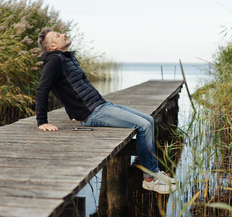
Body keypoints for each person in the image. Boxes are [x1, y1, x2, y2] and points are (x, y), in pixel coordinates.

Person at [35, 28, 176, 194]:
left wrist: (72, 113)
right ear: (52, 46)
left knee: (149, 120)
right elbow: (42, 89)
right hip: (94, 113)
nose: (63, 34)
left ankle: (154, 171)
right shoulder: (55, 61)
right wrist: (42, 121)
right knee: (144, 126)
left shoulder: (67, 58)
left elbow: (66, 88)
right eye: (58, 36)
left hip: (101, 105)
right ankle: (149, 179)